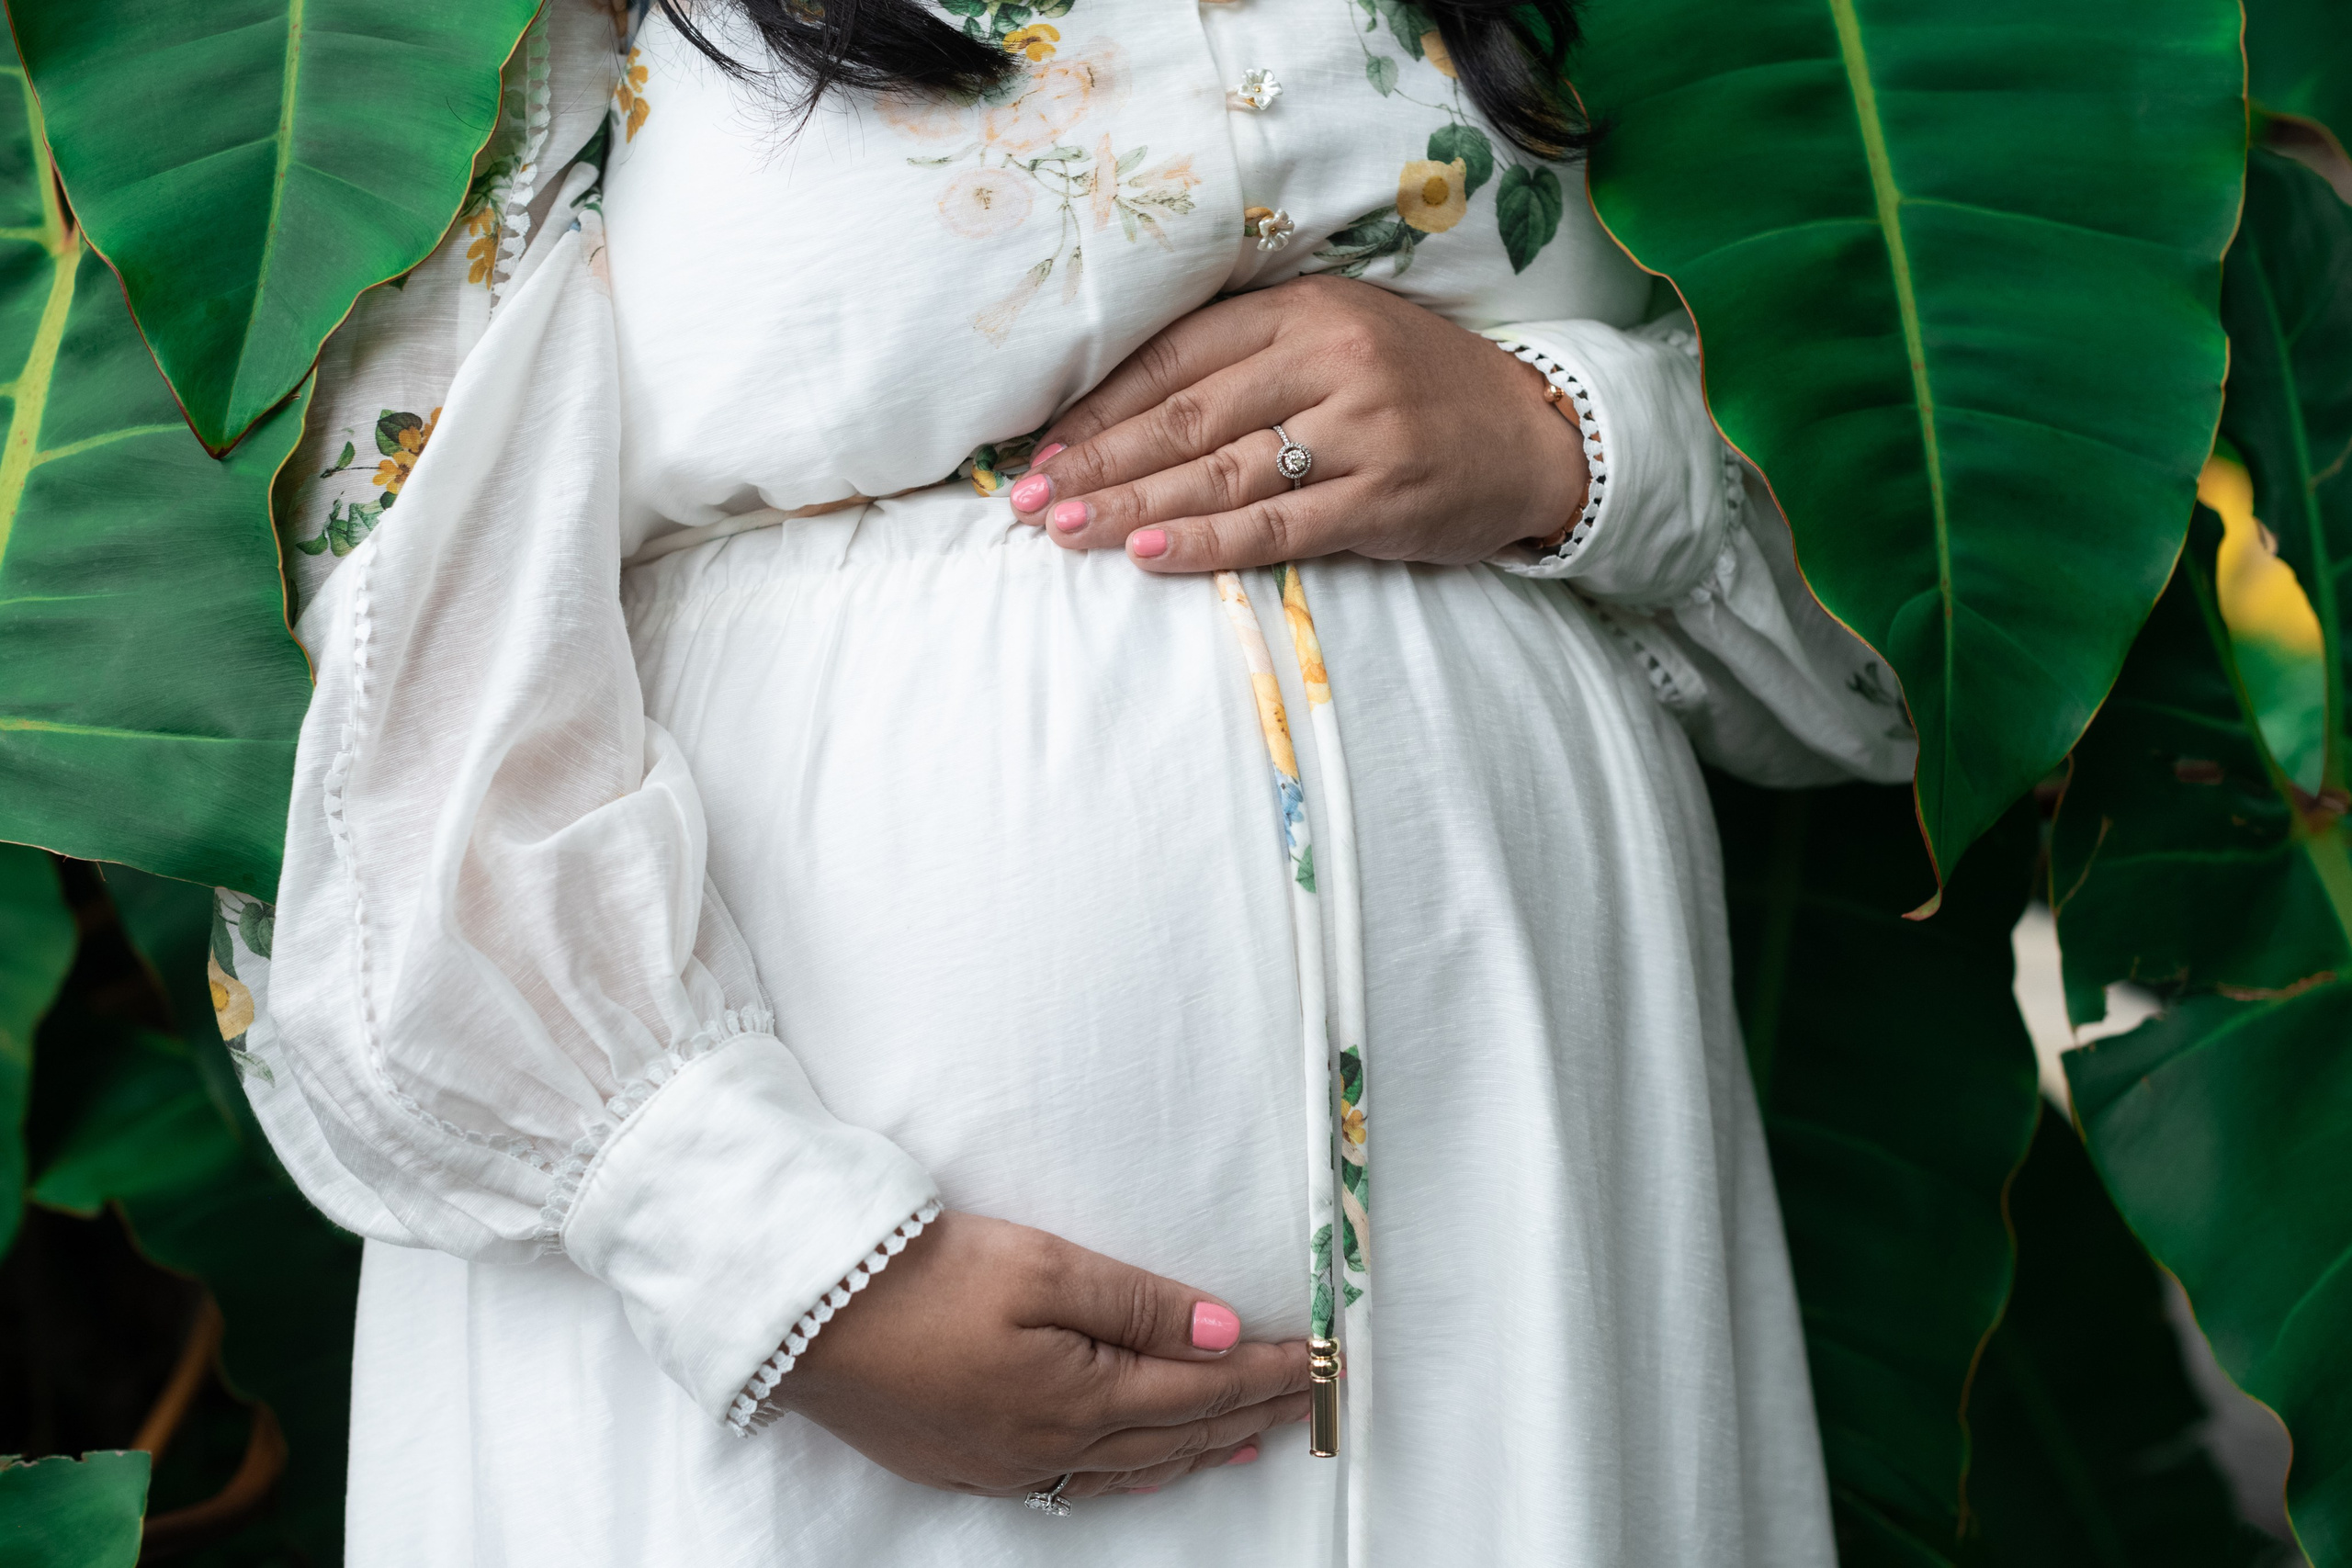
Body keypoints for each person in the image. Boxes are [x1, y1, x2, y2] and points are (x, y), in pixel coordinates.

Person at [226, 0, 1914, 1561]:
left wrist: (1564, 442)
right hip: (823, 1289)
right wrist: (759, 1255)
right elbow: (344, 666)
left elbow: (1914, 650)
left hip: (1530, 1199)